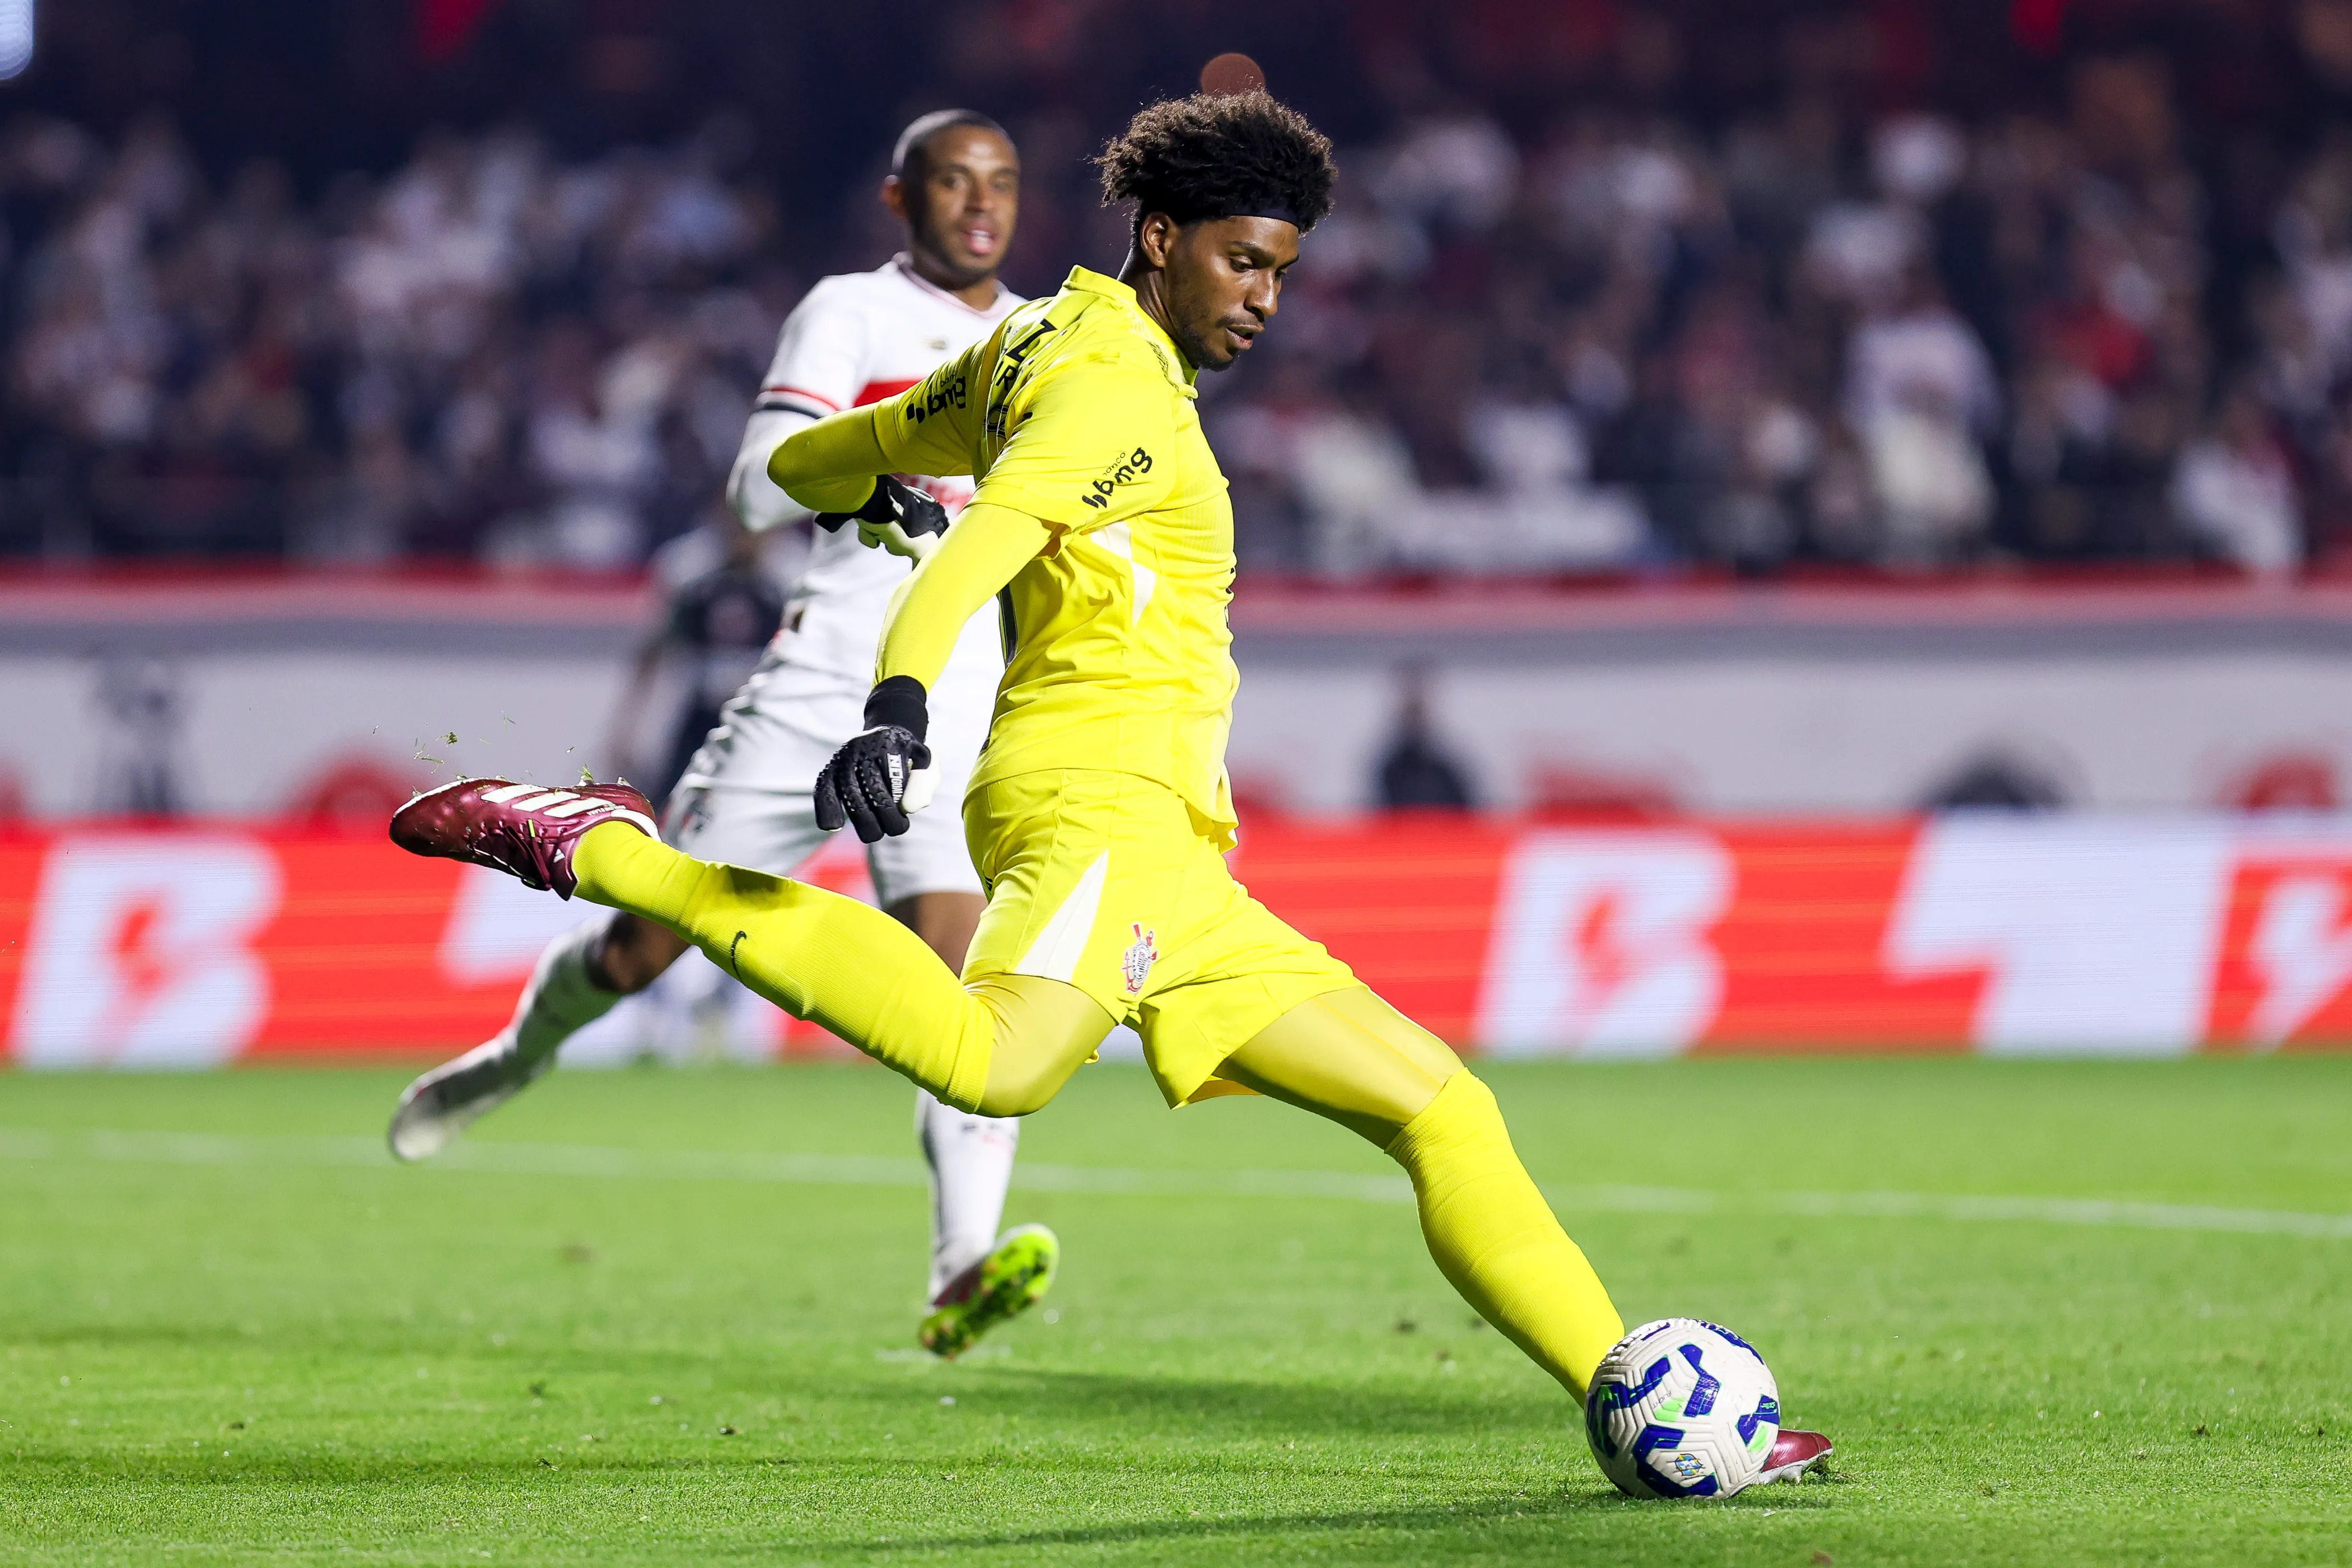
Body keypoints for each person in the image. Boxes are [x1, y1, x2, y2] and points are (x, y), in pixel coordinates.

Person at [390, 90, 1830, 1481]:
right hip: (1101, 805)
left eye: (1283, 270)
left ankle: (1638, 1396)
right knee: (996, 1062)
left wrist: (853, 487)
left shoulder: (1028, 350)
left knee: (1440, 1109)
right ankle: (627, 855)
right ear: (1161, 238)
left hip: (1178, 863)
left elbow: (834, 454)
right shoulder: (1116, 393)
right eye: (1243, 260)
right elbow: (980, 548)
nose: (1265, 296)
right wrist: (896, 699)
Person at [386, 109, 1059, 1361]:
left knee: (965, 986)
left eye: (1002, 184)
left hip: (959, 705)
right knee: (643, 947)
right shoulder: (849, 312)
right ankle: (510, 1057)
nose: (982, 204)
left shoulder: (1043, 344)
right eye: (954, 183)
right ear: (899, 197)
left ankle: (963, 1262)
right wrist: (874, 466)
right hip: (820, 690)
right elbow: (756, 482)